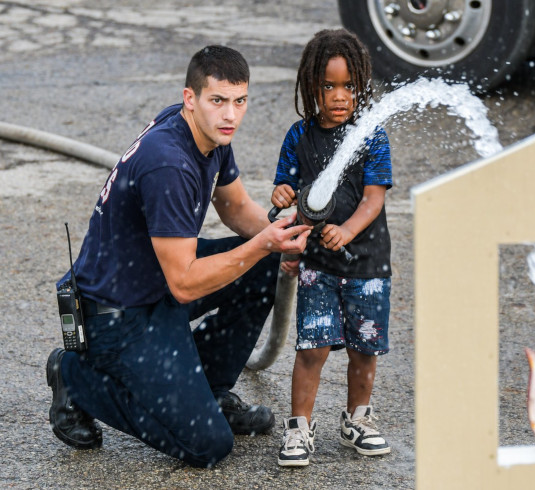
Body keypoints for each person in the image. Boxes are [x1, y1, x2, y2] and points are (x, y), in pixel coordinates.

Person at [46, 45, 311, 468]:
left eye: (239, 101)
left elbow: (236, 208)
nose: (230, 115)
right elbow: (185, 283)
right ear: (191, 99)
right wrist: (265, 243)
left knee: (264, 261)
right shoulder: (169, 163)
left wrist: (285, 234)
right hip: (116, 315)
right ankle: (75, 377)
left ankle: (211, 391)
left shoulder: (210, 133)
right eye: (218, 101)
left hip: (154, 282)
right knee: (208, 446)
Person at [270, 29, 393, 467]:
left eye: (348, 86)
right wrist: (283, 194)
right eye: (328, 86)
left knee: (364, 349)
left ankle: (358, 418)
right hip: (317, 265)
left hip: (368, 265)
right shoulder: (299, 137)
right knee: (312, 349)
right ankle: (300, 428)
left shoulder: (371, 136)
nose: (339, 97)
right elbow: (285, 187)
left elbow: (373, 199)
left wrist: (349, 231)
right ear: (311, 87)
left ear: (360, 86)